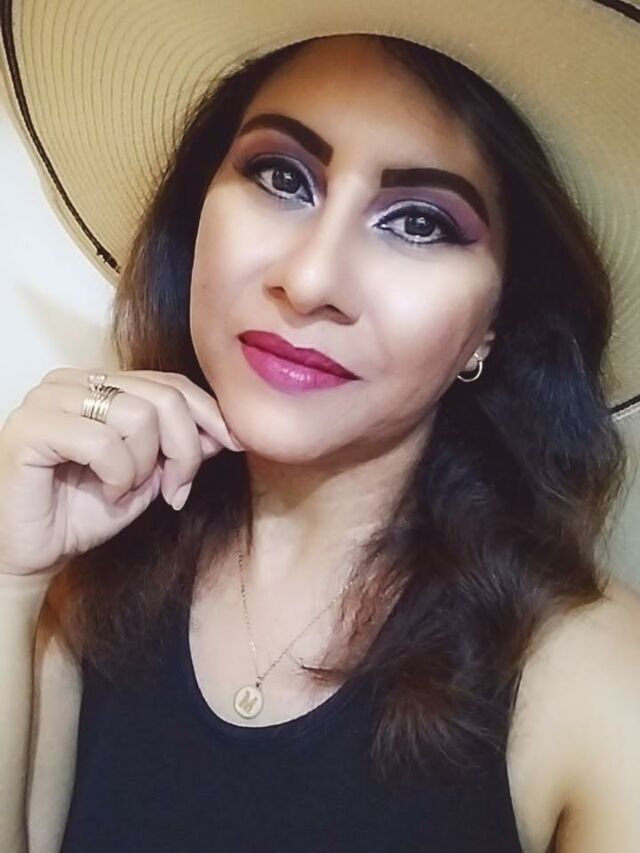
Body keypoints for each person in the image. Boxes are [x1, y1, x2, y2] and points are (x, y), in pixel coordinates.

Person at [1, 3, 639, 852]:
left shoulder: (598, 682)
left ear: (492, 324)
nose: (309, 282)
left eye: (419, 222)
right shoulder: (84, 580)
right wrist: (8, 580)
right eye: (281, 176)